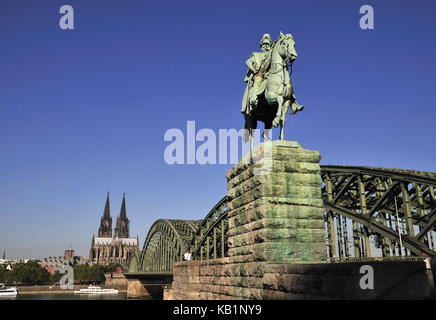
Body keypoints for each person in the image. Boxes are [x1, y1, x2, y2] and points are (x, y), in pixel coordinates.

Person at [241, 33, 272, 116]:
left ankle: (293, 102)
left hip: (269, 75)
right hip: (259, 74)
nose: (266, 46)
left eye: (268, 44)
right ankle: (253, 99)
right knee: (258, 79)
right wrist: (254, 70)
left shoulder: (272, 55)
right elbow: (248, 62)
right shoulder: (256, 54)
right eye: (264, 44)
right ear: (261, 45)